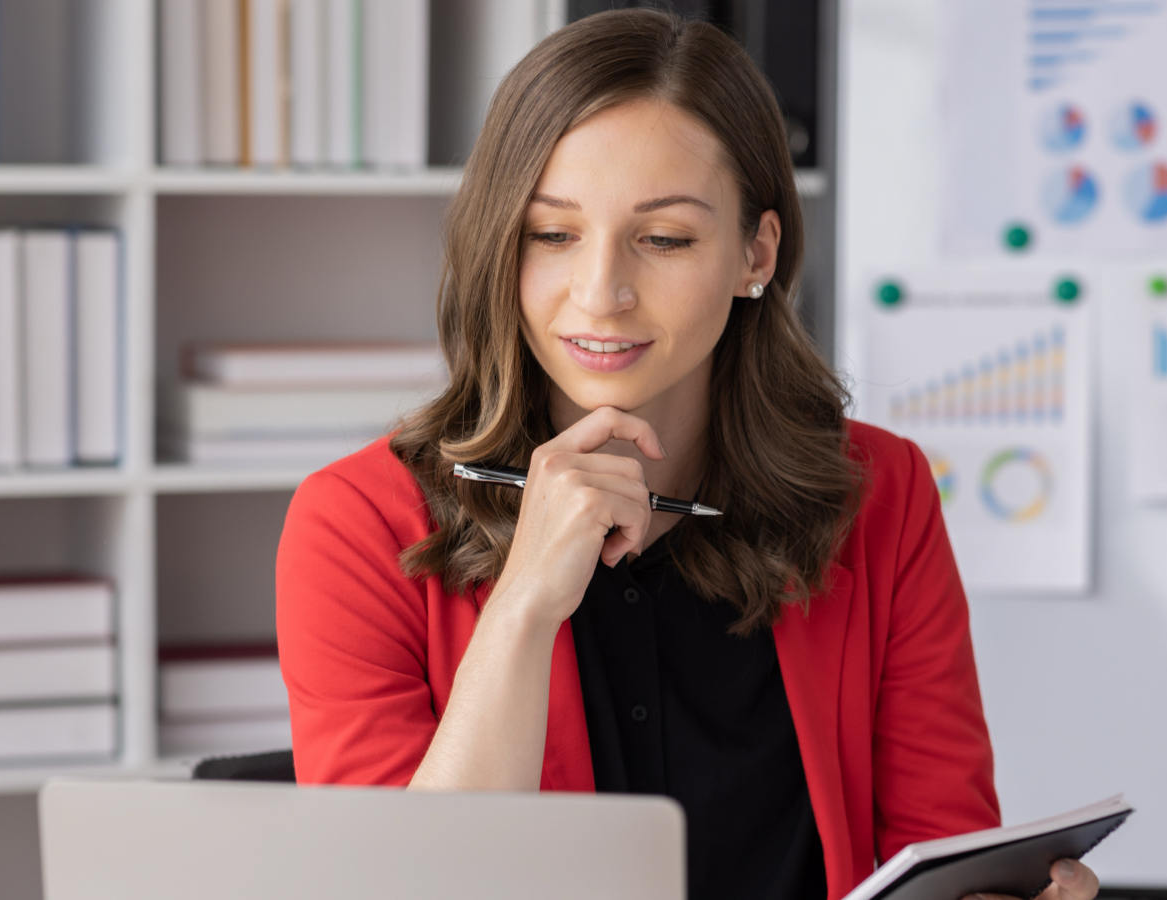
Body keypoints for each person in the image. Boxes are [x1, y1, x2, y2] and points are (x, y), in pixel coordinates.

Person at [275, 9, 1102, 900]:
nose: (602, 293)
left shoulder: (881, 496)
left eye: (664, 239)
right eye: (552, 235)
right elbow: (406, 888)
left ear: (755, 252)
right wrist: (522, 608)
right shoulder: (354, 524)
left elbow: (941, 850)